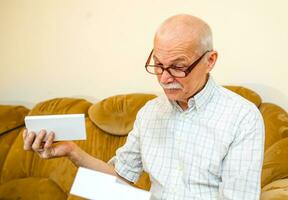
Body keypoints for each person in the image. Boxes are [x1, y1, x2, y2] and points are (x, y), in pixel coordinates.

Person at [23, 14, 265, 200]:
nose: (164, 78)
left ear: (210, 61)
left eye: (178, 67)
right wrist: (72, 152)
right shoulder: (150, 112)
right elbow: (120, 179)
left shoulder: (243, 117)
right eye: (158, 64)